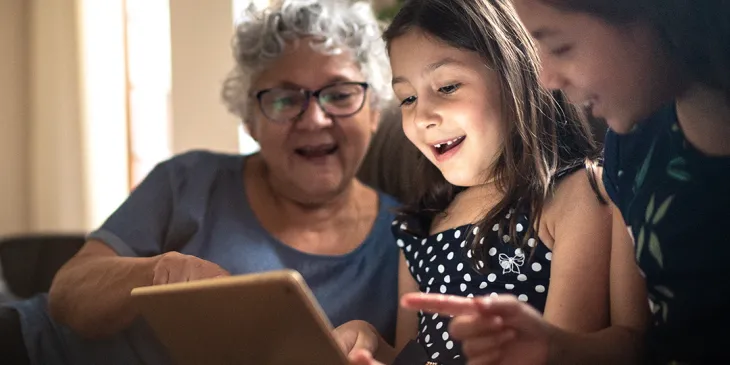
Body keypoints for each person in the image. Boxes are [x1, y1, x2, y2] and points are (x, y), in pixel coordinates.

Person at [0, 1, 401, 364]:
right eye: (283, 99)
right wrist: (154, 274)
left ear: (374, 112)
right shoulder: (189, 180)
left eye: (340, 94)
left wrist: (377, 349)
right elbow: (68, 296)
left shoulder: (404, 239)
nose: (314, 118)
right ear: (250, 121)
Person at [402, 0, 730, 364]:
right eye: (406, 98)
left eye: (559, 47)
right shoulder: (630, 152)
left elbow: (633, 341)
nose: (544, 78)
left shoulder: (584, 191)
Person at [337, 0, 615, 363]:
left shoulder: (575, 195)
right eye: (406, 98)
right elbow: (416, 354)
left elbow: (565, 351)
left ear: (515, 75)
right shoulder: (421, 226)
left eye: (448, 86)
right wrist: (372, 345)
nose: (422, 116)